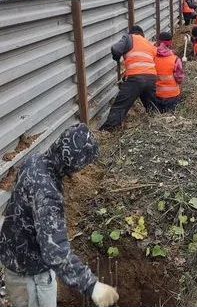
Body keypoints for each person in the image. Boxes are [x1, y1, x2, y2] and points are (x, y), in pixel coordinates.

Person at [0, 124, 119, 307]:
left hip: (12, 256)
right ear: (74, 163)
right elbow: (55, 251)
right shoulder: (48, 193)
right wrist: (92, 286)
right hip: (32, 275)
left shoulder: (33, 160)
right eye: (82, 165)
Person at [101, 25, 157, 131]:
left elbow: (116, 49)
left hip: (136, 79)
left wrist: (116, 57)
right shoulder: (149, 44)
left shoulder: (129, 38)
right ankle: (156, 126)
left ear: (132, 33)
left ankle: (108, 131)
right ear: (142, 35)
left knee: (120, 106)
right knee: (152, 107)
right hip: (151, 78)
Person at [155, 31, 185, 112]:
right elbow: (179, 78)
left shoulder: (152, 57)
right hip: (172, 96)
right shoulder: (175, 59)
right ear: (170, 43)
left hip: (156, 95)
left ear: (158, 42)